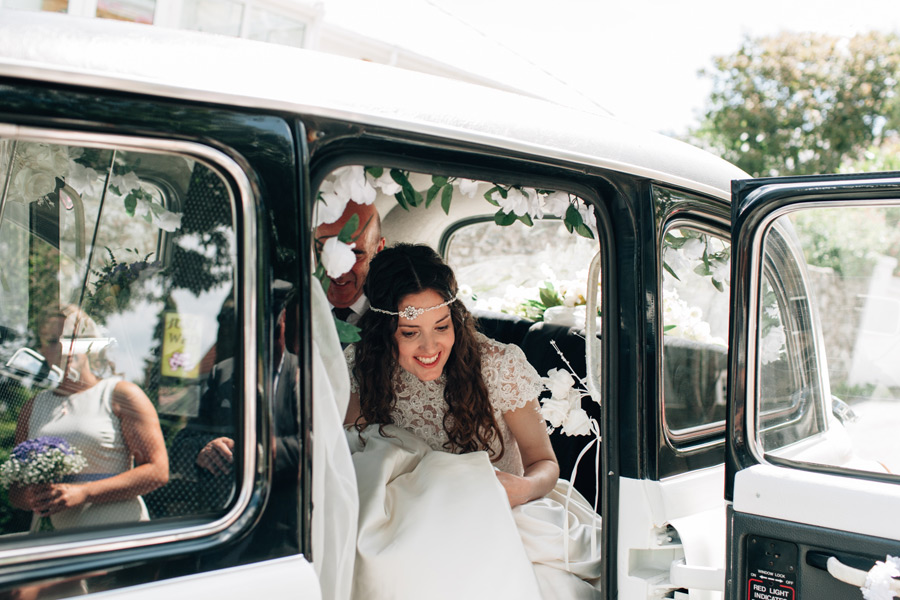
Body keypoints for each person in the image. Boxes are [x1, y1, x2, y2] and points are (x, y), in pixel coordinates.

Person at [344, 244, 602, 600]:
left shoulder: (498, 367)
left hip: (501, 512)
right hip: (411, 527)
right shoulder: (361, 370)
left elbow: (544, 463)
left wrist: (521, 489)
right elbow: (360, 463)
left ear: (455, 317)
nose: (430, 346)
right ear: (383, 331)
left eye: (441, 326)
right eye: (409, 332)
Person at [9, 305, 169, 530]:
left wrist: (84, 492)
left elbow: (157, 471)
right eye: (54, 341)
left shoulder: (120, 394)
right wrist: (32, 497)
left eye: (72, 338)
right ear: (42, 352)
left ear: (90, 344)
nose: (65, 349)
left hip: (113, 536)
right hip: (49, 541)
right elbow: (15, 491)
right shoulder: (32, 407)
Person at [315, 201, 385, 324]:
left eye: (355, 254)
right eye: (325, 252)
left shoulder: (398, 314)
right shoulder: (288, 310)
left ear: (378, 250)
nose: (338, 272)